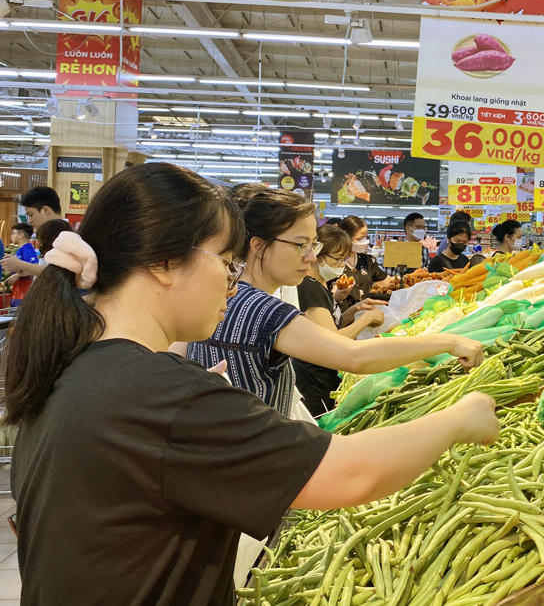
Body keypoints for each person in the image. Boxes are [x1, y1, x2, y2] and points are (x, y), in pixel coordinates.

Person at [5, 162, 499, 604]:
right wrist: (460, 418)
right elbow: (352, 473)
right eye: (225, 262)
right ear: (162, 262)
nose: (230, 281)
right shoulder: (159, 393)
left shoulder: (68, 367)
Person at [185, 189, 484, 417]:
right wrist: (447, 342)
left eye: (313, 245)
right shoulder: (264, 310)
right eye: (300, 245)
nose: (312, 257)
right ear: (259, 245)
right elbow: (353, 356)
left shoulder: (221, 297)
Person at [293, 224, 388, 416]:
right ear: (318, 256)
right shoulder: (309, 288)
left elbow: (330, 323)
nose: (342, 265)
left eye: (344, 258)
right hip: (316, 380)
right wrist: (365, 319)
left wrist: (354, 310)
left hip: (327, 373)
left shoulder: (321, 284)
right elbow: (332, 340)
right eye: (337, 259)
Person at [0, 186, 63, 278]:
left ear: (45, 210)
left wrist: (21, 265)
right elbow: (47, 267)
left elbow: (57, 272)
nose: (30, 220)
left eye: (31, 214)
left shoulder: (64, 237)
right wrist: (27, 271)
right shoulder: (51, 234)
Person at [338, 215, 393, 309]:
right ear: (345, 237)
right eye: (359, 239)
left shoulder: (367, 260)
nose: (364, 242)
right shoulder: (333, 261)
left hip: (364, 313)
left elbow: (385, 281)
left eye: (365, 237)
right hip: (341, 316)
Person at [385, 212, 431, 277]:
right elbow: (388, 276)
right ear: (408, 228)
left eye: (424, 228)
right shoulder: (394, 249)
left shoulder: (424, 250)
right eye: (419, 227)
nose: (422, 231)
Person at [5, 222, 39, 307]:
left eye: (13, 233)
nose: (11, 236)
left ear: (21, 235)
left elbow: (35, 268)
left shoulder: (27, 249)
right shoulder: (20, 249)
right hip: (18, 293)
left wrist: (17, 275)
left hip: (24, 294)